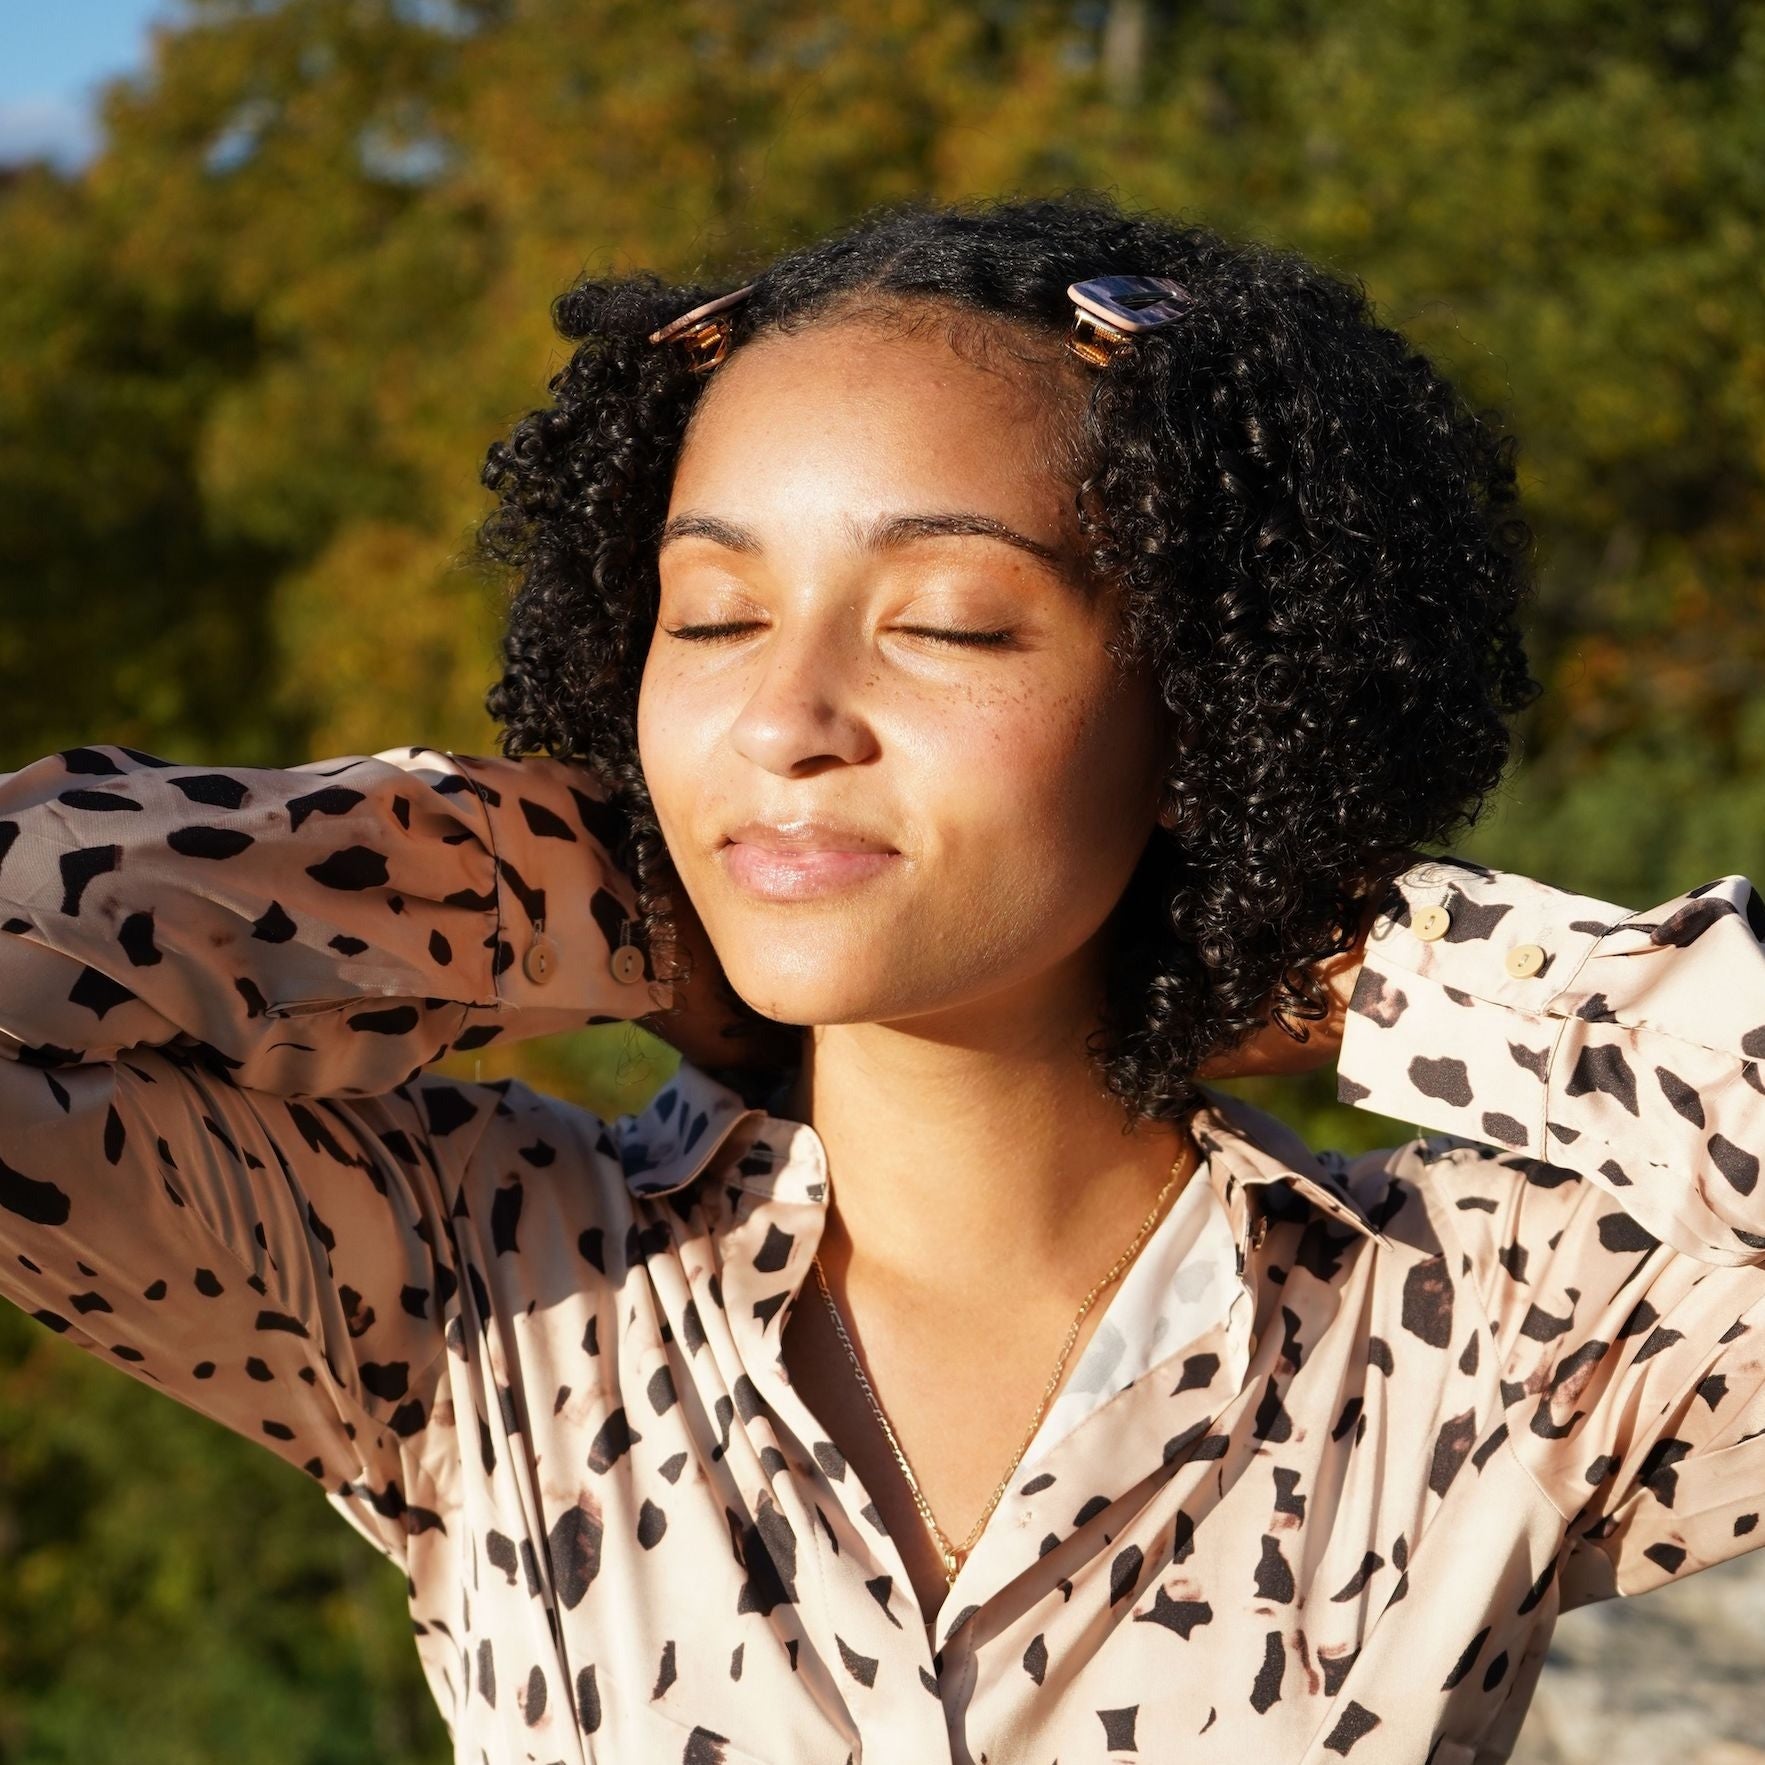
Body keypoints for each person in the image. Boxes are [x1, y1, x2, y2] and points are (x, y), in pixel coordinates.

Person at [0, 191, 1759, 1765]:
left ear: (1204, 704)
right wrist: (584, 889)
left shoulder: (1504, 1338)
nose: (782, 719)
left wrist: (1373, 969)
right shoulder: (475, 1291)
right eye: (708, 617)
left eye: (948, 623)